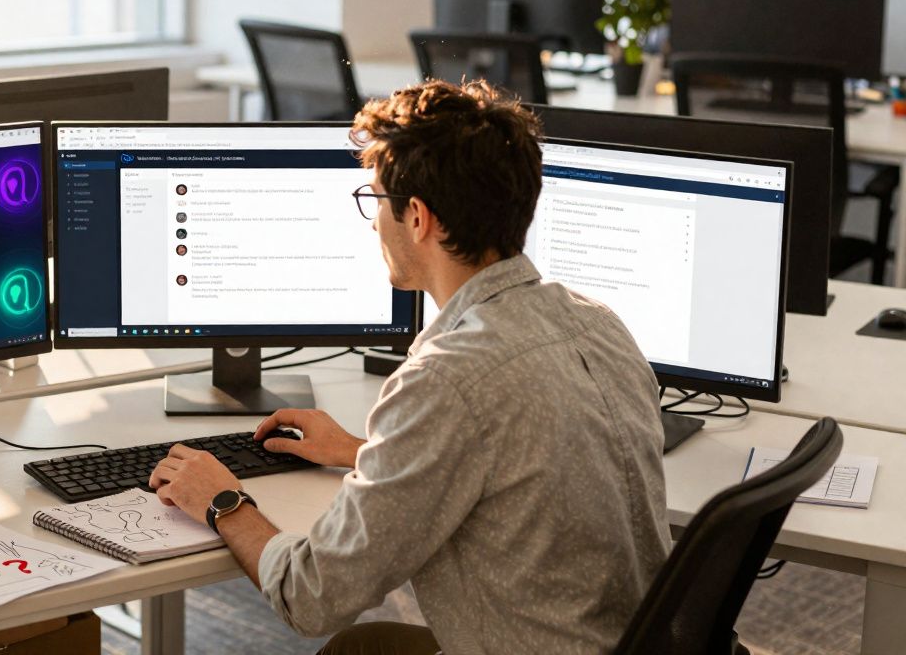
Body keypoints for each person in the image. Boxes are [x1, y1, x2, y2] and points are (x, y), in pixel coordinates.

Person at [147, 80, 669, 654]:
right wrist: (360, 452)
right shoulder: (600, 324)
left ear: (417, 217)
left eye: (375, 200)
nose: (373, 223)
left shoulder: (447, 379)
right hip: (637, 643)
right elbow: (519, 458)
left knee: (348, 643)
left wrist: (222, 500)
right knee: (368, 646)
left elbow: (312, 595)